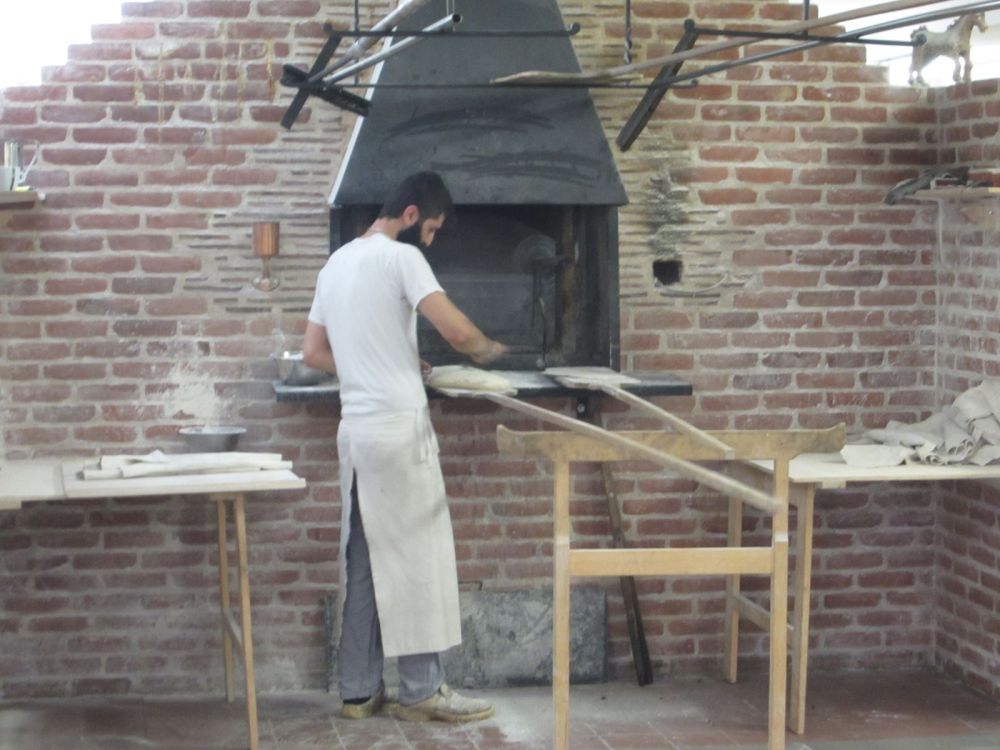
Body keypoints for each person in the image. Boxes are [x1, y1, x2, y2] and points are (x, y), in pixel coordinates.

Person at [303, 171, 507, 723]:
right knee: (417, 558)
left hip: (357, 434)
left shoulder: (336, 263)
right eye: (432, 228)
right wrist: (490, 350)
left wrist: (380, 363)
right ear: (411, 215)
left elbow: (314, 352)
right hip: (398, 432)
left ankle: (358, 692)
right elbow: (458, 333)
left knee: (363, 560)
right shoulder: (402, 257)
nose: (432, 241)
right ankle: (421, 691)